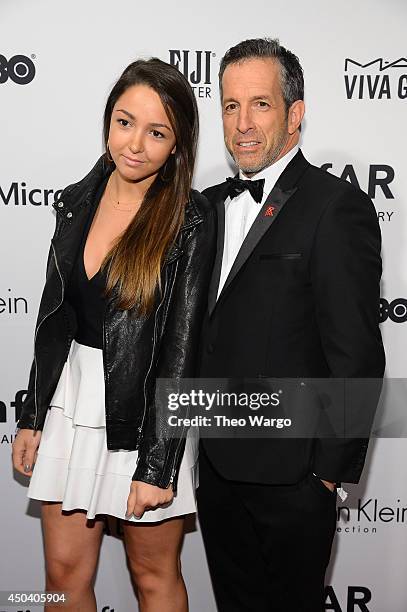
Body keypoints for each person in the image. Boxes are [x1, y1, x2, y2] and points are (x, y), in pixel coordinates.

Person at [12, 57, 215, 612]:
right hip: (69, 404)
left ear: (177, 144)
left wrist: (158, 465)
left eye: (157, 132)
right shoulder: (77, 200)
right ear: (108, 120)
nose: (134, 144)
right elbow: (55, 320)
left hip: (144, 414)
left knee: (153, 577)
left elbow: (182, 348)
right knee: (61, 576)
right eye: (125, 122)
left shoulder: (190, 221)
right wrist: (33, 414)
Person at [197, 38, 385, 612]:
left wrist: (325, 476)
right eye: (231, 106)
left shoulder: (336, 207)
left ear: (295, 113)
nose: (243, 123)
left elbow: (356, 354)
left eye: (260, 104)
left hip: (292, 479)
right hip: (214, 469)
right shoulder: (203, 208)